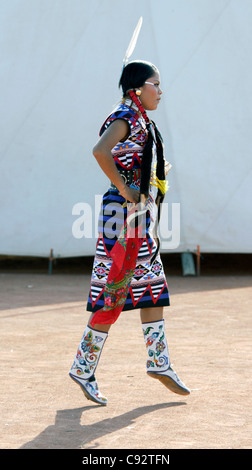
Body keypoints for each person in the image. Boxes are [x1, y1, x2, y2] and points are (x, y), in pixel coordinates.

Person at [69, 60, 190, 405]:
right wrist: (124, 187)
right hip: (121, 215)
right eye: (156, 84)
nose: (161, 91)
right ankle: (83, 366)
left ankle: (159, 362)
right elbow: (100, 151)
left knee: (153, 286)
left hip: (134, 214)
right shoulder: (124, 118)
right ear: (137, 88)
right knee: (115, 290)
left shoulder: (139, 120)